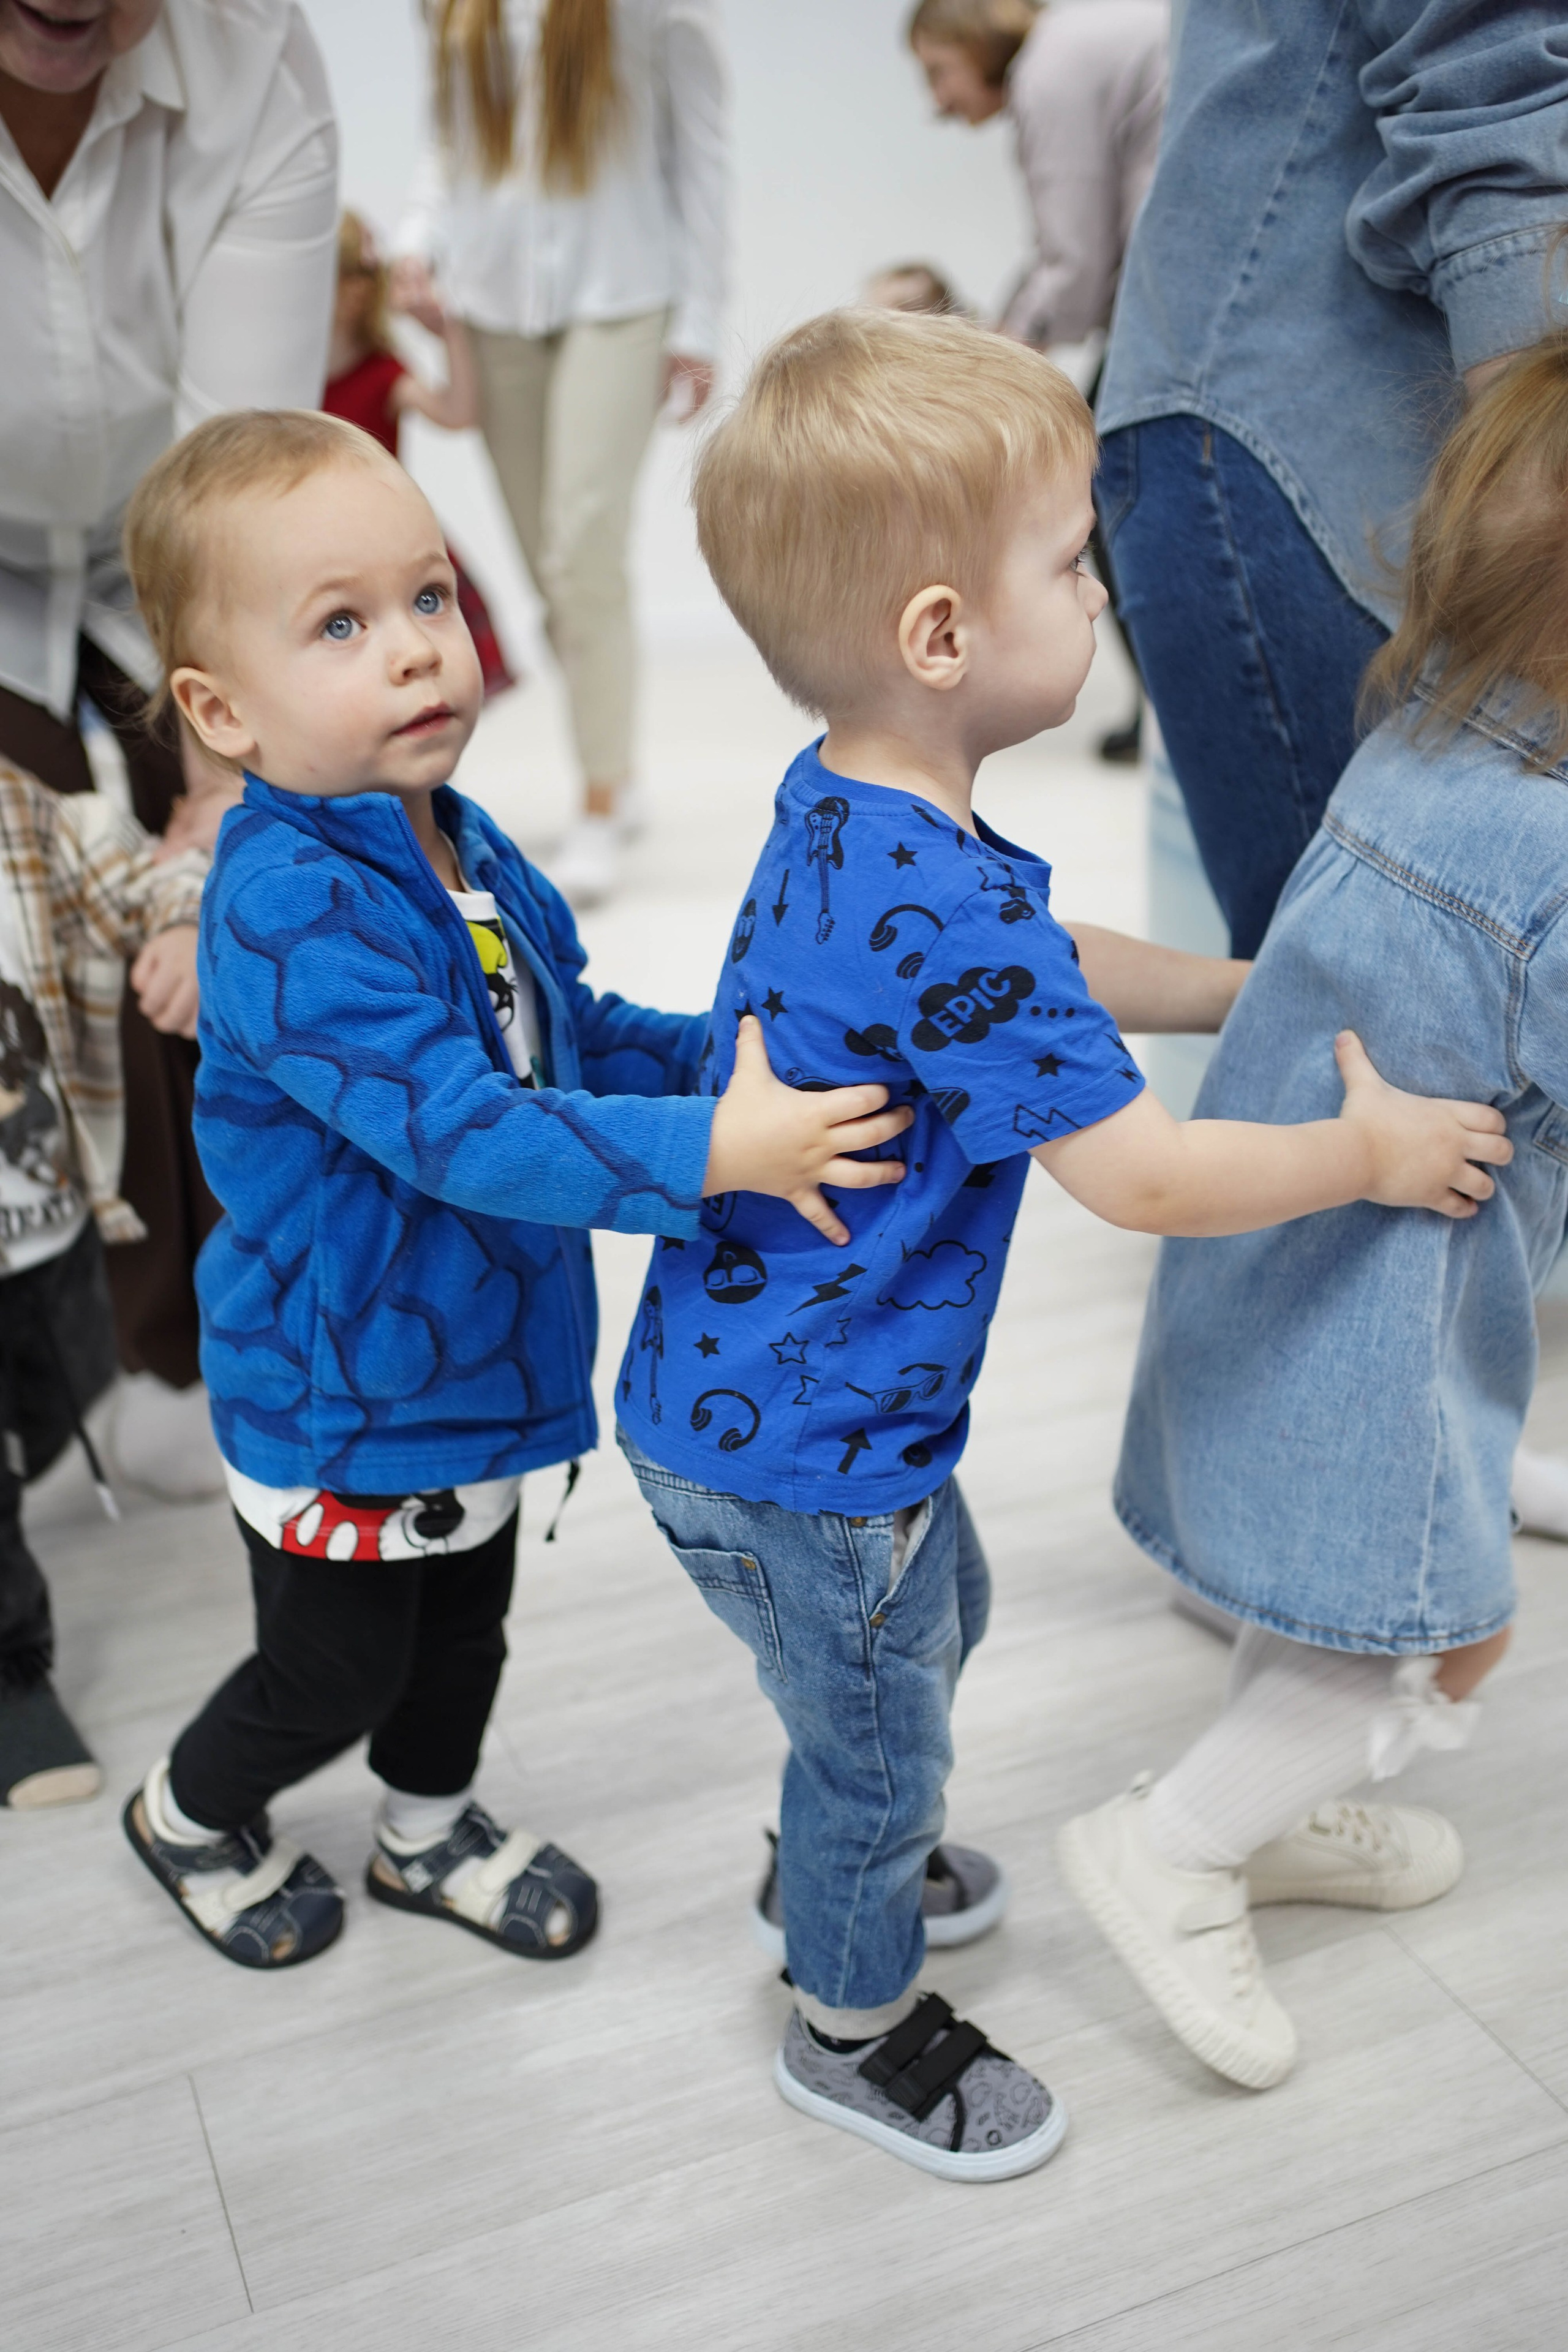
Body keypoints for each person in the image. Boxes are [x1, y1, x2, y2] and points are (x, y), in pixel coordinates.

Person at [613, 307, 1510, 2180]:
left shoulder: (862, 811)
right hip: (799, 1442)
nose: (1100, 590)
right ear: (942, 634)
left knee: (928, 1630)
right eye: (1069, 559)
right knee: (877, 1726)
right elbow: (1149, 1182)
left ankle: (843, 1836)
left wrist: (1246, 987)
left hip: (775, 1408)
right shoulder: (929, 888)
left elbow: (1054, 964)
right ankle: (851, 2021)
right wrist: (1363, 1149)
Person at [114, 407, 913, 1969]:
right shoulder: (284, 912)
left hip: (471, 1368)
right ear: (221, 710)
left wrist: (743, 1064)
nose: (418, 647)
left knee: (463, 1633)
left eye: (428, 595)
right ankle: (190, 1812)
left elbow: (574, 1032)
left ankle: (425, 1831)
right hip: (344, 1395)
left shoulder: (466, 846)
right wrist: (718, 1154)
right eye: (340, 624)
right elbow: (465, 1127)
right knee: (335, 1668)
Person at [1061, 339, 1568, 2092]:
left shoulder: (1415, 731)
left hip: (1278, 1265)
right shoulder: (1554, 855)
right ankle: (1176, 1844)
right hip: (1387, 1310)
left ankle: (1264, 1807)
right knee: (1435, 1628)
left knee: (1323, 1590)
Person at [1093, 0, 1568, 1528]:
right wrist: (1535, 484)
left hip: (1331, 423)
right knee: (1368, 1056)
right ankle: (1291, 1542)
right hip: (1339, 421)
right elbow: (1488, 62)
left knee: (1392, 1056)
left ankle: (1377, 1484)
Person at [0, 0, 337, 1495]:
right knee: (38, 947)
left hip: (175, 524)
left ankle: (197, 1350)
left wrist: (220, 794)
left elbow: (237, 474)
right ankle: (77, 1355)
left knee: (249, 900)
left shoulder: (251, 56)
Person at [393, 0, 728, 910]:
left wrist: (701, 320)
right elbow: (449, 138)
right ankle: (617, 763)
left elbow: (699, 153)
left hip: (623, 297)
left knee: (582, 552)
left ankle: (600, 795)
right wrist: (418, 236)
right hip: (491, 302)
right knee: (551, 567)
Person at [0, 758, 205, 1807]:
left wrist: (184, 924)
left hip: (52, 1232)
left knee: (58, 1402)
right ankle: (12, 1673)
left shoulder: (26, 822)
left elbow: (150, 871)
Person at [908, 0, 1166, 763]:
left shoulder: (1048, 72)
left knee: (1107, 489)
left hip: (1175, 302)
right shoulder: (1069, 50)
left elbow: (1074, 268)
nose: (937, 102)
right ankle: (1160, 710)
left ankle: (1167, 714)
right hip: (1165, 296)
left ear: (973, 40)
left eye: (938, 71)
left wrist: (989, 366)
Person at [323, 209, 514, 703]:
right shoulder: (287, 378)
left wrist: (450, 335)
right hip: (319, 540)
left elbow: (457, 412)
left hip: (383, 536)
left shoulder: (381, 373)